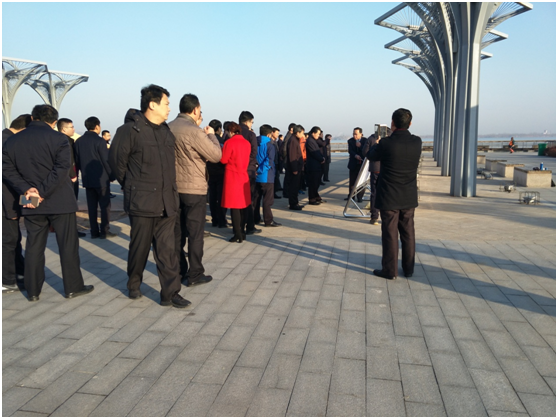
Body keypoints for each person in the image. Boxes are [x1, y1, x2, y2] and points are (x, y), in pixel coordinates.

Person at [3, 104, 94, 301]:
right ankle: (73, 287)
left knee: (34, 246)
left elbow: (7, 170)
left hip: (30, 201)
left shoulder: (12, 141)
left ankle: (33, 291)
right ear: (54, 121)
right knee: (68, 246)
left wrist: (28, 190)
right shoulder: (59, 139)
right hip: (60, 200)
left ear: (33, 117)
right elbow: (62, 168)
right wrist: (42, 191)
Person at [109, 84, 189, 308]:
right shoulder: (129, 131)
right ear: (152, 105)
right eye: (166, 103)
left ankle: (170, 293)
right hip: (142, 202)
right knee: (140, 248)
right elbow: (116, 164)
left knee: (168, 250)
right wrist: (132, 186)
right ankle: (134, 283)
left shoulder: (166, 131)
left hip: (167, 201)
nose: (169, 108)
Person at [168, 93, 221, 287]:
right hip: (194, 189)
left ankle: (179, 270)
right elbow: (216, 155)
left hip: (174, 188)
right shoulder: (194, 131)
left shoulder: (168, 128)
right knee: (195, 234)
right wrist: (211, 135)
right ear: (196, 109)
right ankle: (195, 273)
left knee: (177, 234)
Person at [368, 108, 422, 280]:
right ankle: (409, 268)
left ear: (392, 123)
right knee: (408, 233)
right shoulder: (417, 142)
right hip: (408, 195)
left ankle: (390, 270)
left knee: (390, 234)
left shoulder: (386, 143)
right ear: (410, 123)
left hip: (389, 196)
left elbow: (370, 155)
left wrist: (377, 143)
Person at [74, 116, 116, 239]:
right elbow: (106, 160)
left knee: (91, 207)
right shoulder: (100, 141)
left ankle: (94, 231)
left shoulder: (79, 141)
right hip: (101, 179)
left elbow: (77, 161)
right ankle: (104, 231)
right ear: (97, 126)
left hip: (87, 179)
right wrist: (112, 175)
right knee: (104, 206)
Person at [2, 114, 31, 293]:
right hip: (6, 203)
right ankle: (7, 280)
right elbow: (8, 179)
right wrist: (11, 209)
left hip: (9, 202)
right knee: (8, 241)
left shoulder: (6, 139)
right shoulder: (7, 143)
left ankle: (20, 272)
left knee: (14, 238)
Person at [221, 122, 252, 242]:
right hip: (244, 175)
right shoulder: (247, 143)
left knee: (234, 206)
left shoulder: (229, 143)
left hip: (232, 176)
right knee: (243, 205)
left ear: (231, 131)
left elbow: (224, 160)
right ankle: (242, 231)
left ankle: (237, 232)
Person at [239, 111, 261, 235]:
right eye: (252, 122)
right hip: (248, 171)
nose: (252, 124)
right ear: (247, 122)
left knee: (238, 201)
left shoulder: (232, 133)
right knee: (249, 200)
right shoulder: (250, 134)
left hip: (236, 171)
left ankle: (238, 227)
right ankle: (250, 226)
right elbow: (254, 153)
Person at [255, 124, 282, 227]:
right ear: (269, 134)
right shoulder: (270, 145)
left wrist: (255, 170)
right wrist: (260, 170)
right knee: (267, 200)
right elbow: (269, 161)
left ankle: (255, 218)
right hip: (266, 176)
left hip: (255, 176)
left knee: (256, 199)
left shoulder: (254, 143)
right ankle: (268, 220)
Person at [364, 128, 392, 225]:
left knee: (374, 193)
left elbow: (366, 153)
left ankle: (374, 216)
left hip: (376, 168)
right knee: (387, 192)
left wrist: (376, 145)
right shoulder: (391, 137)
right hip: (388, 169)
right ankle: (387, 216)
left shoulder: (371, 138)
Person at [206, 119, 228, 228]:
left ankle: (214, 220)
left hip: (209, 171)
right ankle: (222, 220)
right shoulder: (222, 142)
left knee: (212, 197)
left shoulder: (206, 141)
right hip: (221, 172)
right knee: (221, 197)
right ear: (219, 129)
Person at [285, 125, 305, 210]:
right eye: (302, 133)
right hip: (294, 169)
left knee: (296, 186)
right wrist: (294, 169)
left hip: (297, 168)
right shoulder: (293, 140)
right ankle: (293, 204)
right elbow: (292, 156)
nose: (303, 135)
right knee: (293, 187)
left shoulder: (295, 140)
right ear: (297, 132)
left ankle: (295, 202)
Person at [305, 126, 326, 205]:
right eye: (318, 134)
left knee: (316, 182)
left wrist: (322, 158)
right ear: (313, 133)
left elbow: (318, 152)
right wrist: (321, 159)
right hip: (313, 166)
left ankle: (316, 196)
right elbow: (314, 153)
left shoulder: (313, 140)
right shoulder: (310, 141)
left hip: (316, 165)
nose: (319, 135)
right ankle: (312, 199)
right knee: (313, 183)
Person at [346, 127, 365, 202]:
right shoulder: (350, 141)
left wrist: (360, 146)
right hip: (353, 163)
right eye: (353, 134)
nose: (355, 136)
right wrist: (355, 155)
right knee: (352, 181)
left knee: (361, 181)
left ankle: (360, 196)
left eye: (356, 134)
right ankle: (351, 196)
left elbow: (366, 151)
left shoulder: (365, 141)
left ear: (361, 134)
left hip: (361, 164)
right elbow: (350, 151)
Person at [271, 127, 283, 199]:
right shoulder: (270, 142)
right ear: (272, 133)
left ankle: (275, 191)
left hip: (276, 162)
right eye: (277, 133)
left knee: (276, 177)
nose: (278, 135)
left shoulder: (275, 142)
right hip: (273, 162)